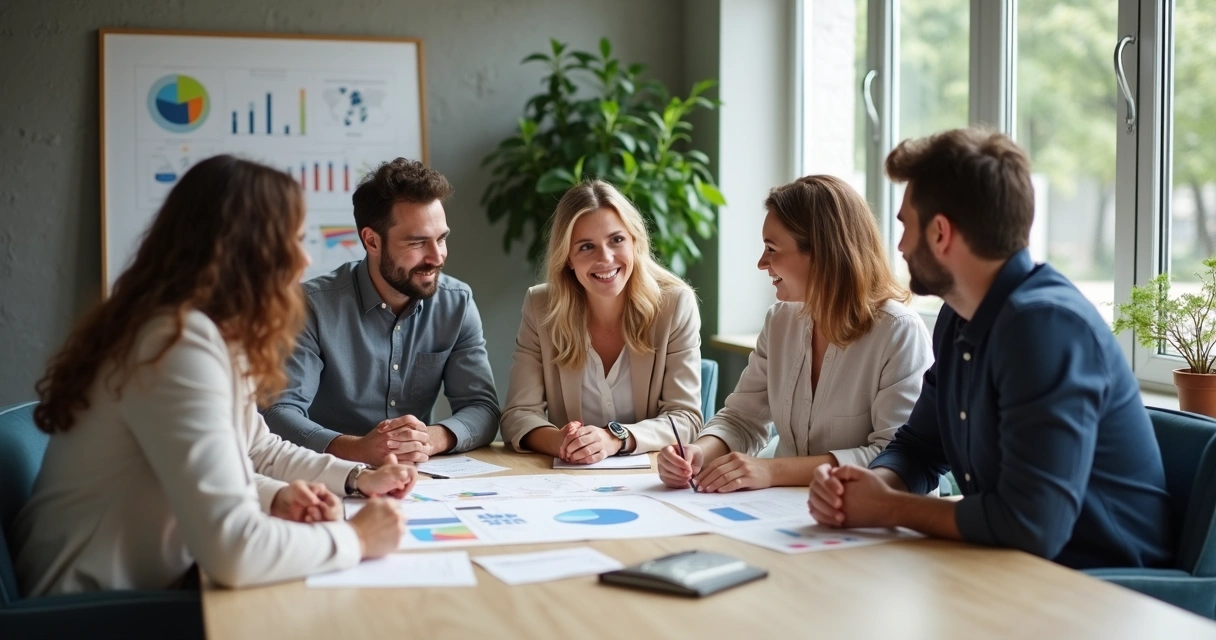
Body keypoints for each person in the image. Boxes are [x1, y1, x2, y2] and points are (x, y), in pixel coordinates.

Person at [14, 155, 413, 596]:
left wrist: (349, 479)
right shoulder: (174, 343)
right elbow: (233, 550)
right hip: (90, 613)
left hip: (149, 590)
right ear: (245, 250)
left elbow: (256, 449)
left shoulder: (202, 332)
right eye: (293, 240)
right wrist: (357, 538)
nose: (305, 259)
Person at [808, 128, 1174, 569]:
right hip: (1014, 570)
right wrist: (864, 487)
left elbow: (1032, 525)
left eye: (906, 225)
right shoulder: (958, 316)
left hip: (1106, 590)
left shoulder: (1044, 327)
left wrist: (887, 508)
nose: (900, 245)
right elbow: (920, 448)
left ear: (941, 233)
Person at [657, 175, 932, 493]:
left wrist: (773, 471)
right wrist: (698, 452)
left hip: (868, 520)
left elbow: (894, 458)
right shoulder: (780, 321)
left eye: (771, 249)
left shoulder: (899, 332)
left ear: (822, 253)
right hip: (785, 511)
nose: (762, 263)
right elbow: (741, 419)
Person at [264, 158, 500, 466]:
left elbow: (482, 407)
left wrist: (429, 439)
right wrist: (357, 449)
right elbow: (278, 413)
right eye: (417, 243)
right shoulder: (311, 306)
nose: (436, 257)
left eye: (441, 239)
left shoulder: (456, 303)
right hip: (325, 476)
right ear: (372, 241)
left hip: (419, 479)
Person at [500, 180, 702, 463]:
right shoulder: (540, 306)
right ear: (568, 258)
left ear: (635, 242)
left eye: (616, 240)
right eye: (586, 247)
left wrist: (614, 438)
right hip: (568, 481)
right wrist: (563, 442)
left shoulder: (674, 305)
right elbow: (517, 414)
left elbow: (686, 418)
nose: (605, 258)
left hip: (652, 481)